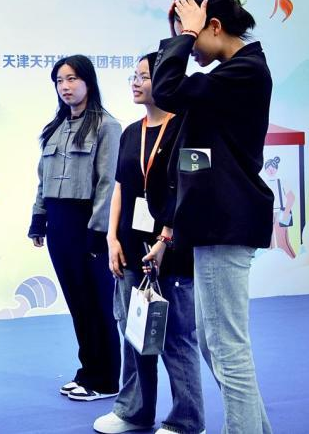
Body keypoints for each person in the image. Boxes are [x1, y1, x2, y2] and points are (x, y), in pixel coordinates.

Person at [153, 0, 274, 433]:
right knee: (215, 344)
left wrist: (185, 34)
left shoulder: (244, 71)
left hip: (226, 220)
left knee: (226, 349)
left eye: (191, 36)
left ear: (214, 26)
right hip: (213, 221)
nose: (189, 48)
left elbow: (167, 90)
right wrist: (184, 34)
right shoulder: (231, 74)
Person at [93, 53, 205, 434]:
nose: (136, 82)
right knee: (134, 332)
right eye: (135, 75)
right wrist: (111, 237)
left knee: (176, 338)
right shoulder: (130, 133)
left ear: (167, 80)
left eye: (145, 76)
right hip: (130, 248)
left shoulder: (188, 128)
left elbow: (194, 190)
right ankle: (133, 412)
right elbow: (120, 189)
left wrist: (166, 238)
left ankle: (187, 421)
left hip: (172, 250)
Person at [28, 55, 121, 401]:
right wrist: (38, 218)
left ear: (88, 82)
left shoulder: (107, 126)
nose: (65, 87)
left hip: (88, 225)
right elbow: (43, 180)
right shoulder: (54, 128)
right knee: (78, 302)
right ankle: (88, 372)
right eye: (59, 81)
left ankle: (107, 379)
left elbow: (108, 183)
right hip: (59, 224)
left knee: (98, 303)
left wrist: (99, 231)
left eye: (71, 79)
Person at [263, 156, 296, 258]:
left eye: (273, 167)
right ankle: (274, 264)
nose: (270, 170)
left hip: (282, 212)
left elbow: (291, 198)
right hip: (268, 213)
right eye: (268, 168)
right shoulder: (263, 183)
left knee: (283, 242)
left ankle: (294, 262)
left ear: (276, 169)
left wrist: (286, 213)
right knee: (269, 244)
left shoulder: (282, 181)